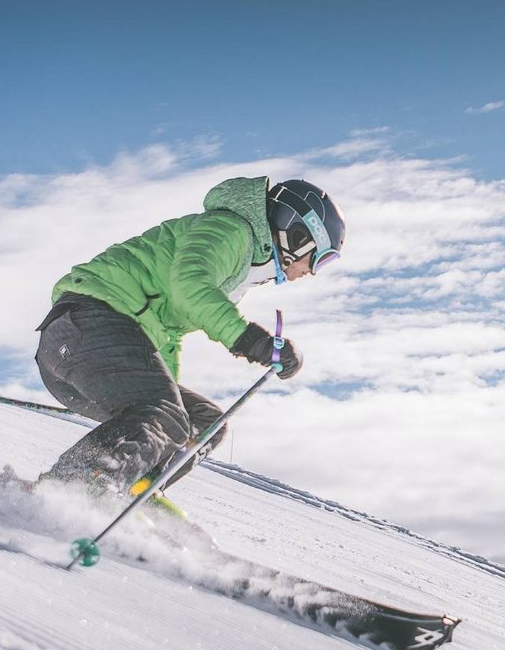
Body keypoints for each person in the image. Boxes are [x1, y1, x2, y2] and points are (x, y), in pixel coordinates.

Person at [34, 176, 345, 499]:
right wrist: (252, 341)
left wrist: (169, 400)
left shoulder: (241, 262)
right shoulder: (230, 230)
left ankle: (135, 491)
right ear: (297, 236)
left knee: (204, 422)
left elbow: (166, 335)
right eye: (321, 258)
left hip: (84, 346)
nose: (312, 272)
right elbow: (189, 287)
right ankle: (73, 490)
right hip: (88, 326)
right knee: (165, 413)